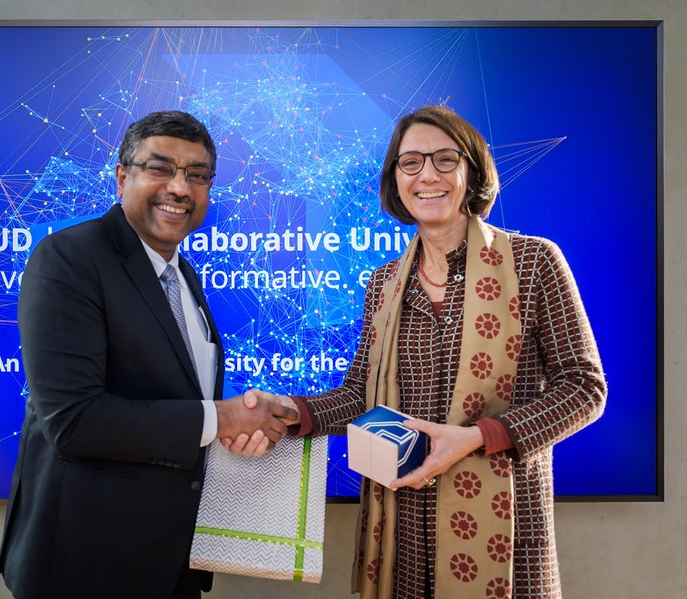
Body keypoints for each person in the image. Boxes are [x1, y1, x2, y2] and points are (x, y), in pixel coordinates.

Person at [231, 105, 607, 598]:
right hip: (404, 531)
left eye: (445, 159)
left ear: (472, 172)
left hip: (507, 533)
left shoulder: (533, 262)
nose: (427, 175)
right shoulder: (384, 283)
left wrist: (477, 436)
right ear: (396, 180)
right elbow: (361, 398)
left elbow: (584, 389)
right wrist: (291, 411)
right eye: (411, 162)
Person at [0, 110, 297, 599]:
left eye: (197, 175)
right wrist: (223, 418)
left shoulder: (182, 274)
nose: (179, 187)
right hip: (86, 567)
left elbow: (177, 401)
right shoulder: (70, 259)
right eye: (160, 168)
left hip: (170, 560)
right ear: (122, 177)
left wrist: (248, 420)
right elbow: (73, 421)